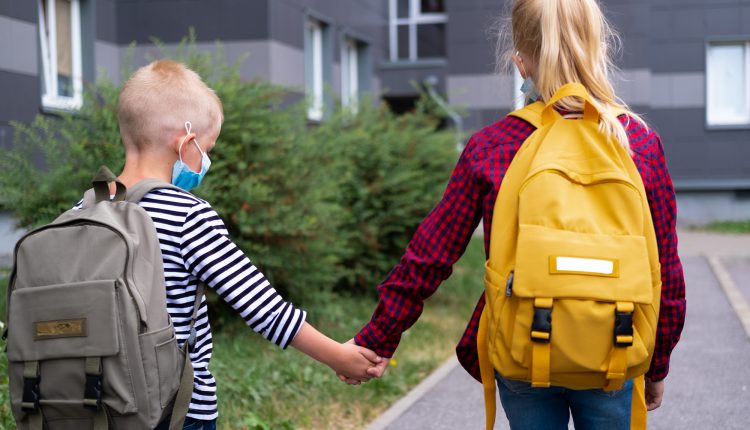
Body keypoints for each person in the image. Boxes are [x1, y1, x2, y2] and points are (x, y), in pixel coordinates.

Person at [352, 0, 686, 428]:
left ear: (520, 63)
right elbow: (667, 272)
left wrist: (378, 338)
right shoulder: (637, 143)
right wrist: (657, 364)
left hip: (524, 344)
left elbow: (430, 254)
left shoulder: (493, 146)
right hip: (615, 346)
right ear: (598, 49)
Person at [84, 59, 381, 430]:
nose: (205, 161)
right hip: (172, 411)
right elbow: (262, 306)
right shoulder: (187, 214)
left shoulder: (84, 208)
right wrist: (339, 356)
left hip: (88, 406)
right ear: (186, 143)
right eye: (207, 150)